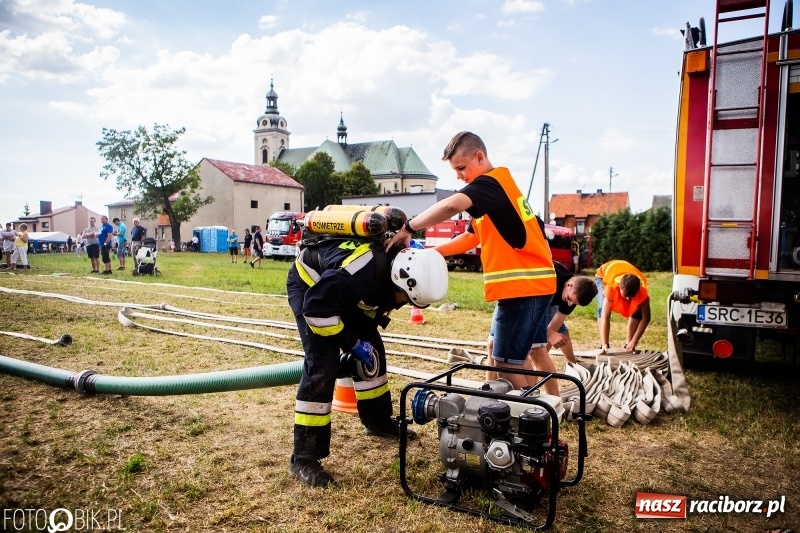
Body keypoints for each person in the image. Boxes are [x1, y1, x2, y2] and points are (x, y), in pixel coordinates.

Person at [386, 131, 556, 390]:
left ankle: (532, 420)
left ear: (479, 157)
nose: (459, 176)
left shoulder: (491, 184)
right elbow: (470, 239)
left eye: (462, 168)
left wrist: (409, 226)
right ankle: (530, 415)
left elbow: (451, 205)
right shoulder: (497, 193)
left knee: (506, 364)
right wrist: (431, 254)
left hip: (524, 289)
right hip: (527, 288)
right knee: (512, 359)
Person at [287, 238, 448, 488]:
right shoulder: (359, 274)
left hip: (343, 292)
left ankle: (378, 421)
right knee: (322, 363)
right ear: (399, 281)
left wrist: (363, 341)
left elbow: (371, 304)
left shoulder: (393, 266)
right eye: (405, 299)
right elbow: (316, 313)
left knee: (373, 348)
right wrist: (352, 343)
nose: (404, 304)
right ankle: (304, 457)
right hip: (312, 288)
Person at [486, 262, 598, 395]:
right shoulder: (550, 276)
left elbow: (553, 327)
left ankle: (550, 400)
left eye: (573, 302)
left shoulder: (573, 296)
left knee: (537, 352)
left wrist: (545, 339)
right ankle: (489, 392)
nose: (569, 304)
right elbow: (534, 312)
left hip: (541, 301)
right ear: (569, 285)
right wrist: (548, 334)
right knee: (492, 345)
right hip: (527, 293)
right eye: (569, 299)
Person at [595, 259, 651, 354]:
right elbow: (606, 315)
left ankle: (628, 344)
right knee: (601, 309)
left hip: (625, 272)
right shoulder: (611, 287)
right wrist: (605, 343)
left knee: (637, 312)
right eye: (626, 296)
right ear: (619, 287)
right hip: (603, 274)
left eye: (631, 297)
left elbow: (646, 318)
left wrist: (634, 342)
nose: (628, 300)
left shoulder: (642, 292)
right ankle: (603, 345)